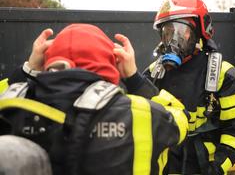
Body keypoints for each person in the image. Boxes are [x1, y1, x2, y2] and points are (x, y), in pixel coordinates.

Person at [0, 23, 189, 175]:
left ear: (46, 62)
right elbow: (180, 117)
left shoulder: (10, 108)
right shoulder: (141, 114)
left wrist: (28, 70)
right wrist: (134, 79)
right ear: (112, 64)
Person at [116, 0, 235, 175]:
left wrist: (217, 168)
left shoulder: (224, 75)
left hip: (204, 166)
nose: (173, 40)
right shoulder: (153, 73)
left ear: (200, 31)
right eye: (167, 32)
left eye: (180, 31)